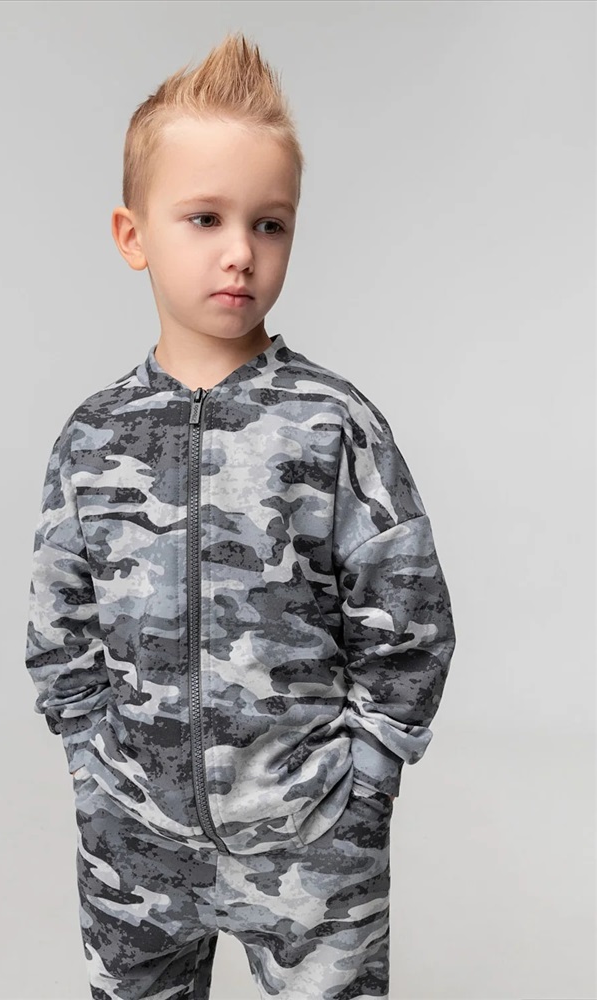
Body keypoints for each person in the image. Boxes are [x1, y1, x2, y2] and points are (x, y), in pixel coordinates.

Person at [24, 30, 456, 1000]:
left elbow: (412, 621)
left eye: (269, 224)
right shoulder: (93, 438)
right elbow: (60, 631)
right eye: (205, 218)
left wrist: (366, 784)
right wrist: (97, 776)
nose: (240, 252)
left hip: (312, 850)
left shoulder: (333, 423)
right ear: (132, 235)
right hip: (135, 853)